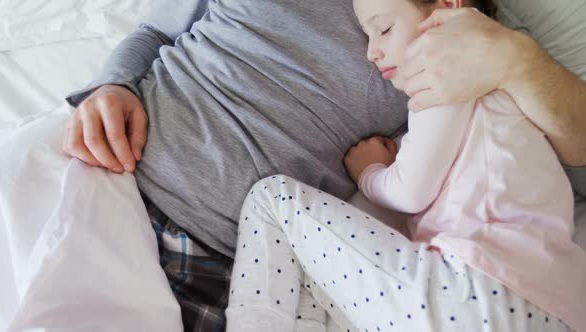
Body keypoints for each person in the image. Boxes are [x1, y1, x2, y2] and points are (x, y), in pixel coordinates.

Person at [63, 0, 586, 330]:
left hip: (236, 264)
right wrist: (112, 85)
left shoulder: (459, 37)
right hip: (104, 170)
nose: (375, 52)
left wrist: (518, 60)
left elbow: (561, 157)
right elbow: (152, 32)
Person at [224, 0, 586, 331]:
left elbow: (409, 192)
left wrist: (370, 173)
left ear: (446, 9)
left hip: (480, 289)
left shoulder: (451, 67)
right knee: (314, 283)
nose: (371, 52)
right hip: (556, 308)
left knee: (271, 199)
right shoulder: (514, 94)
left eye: (383, 29)